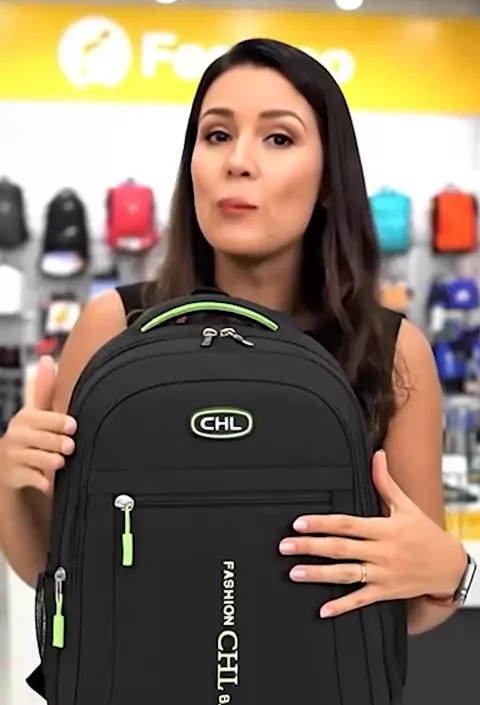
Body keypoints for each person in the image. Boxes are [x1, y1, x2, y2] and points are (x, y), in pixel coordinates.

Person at [0, 38, 469, 633]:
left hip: (317, 687)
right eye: (217, 135)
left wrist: (450, 572)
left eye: (279, 139)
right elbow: (57, 569)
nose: (238, 162)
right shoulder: (115, 327)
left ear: (329, 180)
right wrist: (13, 477)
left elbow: (413, 602)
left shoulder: (391, 350)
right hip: (144, 683)